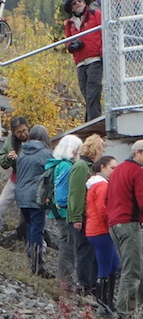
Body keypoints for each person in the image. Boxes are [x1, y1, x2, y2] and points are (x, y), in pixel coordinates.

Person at [107, 139, 143, 319]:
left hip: (114, 224)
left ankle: (135, 306)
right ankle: (125, 312)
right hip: (129, 224)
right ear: (137, 153)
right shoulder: (137, 171)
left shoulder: (117, 170)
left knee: (134, 267)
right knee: (132, 270)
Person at [44, 134, 83, 289]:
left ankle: (64, 279)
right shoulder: (67, 166)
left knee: (65, 243)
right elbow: (62, 194)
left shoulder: (55, 163)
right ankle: (66, 280)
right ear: (73, 150)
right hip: (65, 212)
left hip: (56, 211)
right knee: (68, 245)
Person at [0, 117, 30, 247]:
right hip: (15, 179)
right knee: (0, 206)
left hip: (30, 182)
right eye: (19, 132)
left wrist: (19, 158)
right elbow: (1, 159)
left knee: (30, 213)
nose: (23, 134)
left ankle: (36, 242)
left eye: (24, 130)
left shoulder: (35, 139)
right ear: (14, 133)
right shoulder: (10, 141)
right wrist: (8, 158)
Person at [15, 125, 54, 278]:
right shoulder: (46, 154)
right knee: (37, 229)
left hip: (21, 195)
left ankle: (32, 257)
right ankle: (37, 264)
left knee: (31, 226)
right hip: (35, 197)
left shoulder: (22, 152)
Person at [68, 134, 103, 295]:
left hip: (85, 215)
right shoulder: (81, 167)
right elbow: (76, 193)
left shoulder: (86, 166)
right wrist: (76, 218)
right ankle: (83, 287)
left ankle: (89, 285)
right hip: (80, 216)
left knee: (89, 251)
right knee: (84, 250)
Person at [86, 155, 120, 315]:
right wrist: (115, 221)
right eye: (112, 167)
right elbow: (103, 209)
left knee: (113, 264)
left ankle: (107, 301)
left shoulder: (96, 184)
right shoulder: (102, 186)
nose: (115, 170)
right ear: (102, 167)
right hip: (101, 230)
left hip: (97, 229)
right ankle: (103, 304)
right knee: (106, 267)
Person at [64, 0, 103, 122]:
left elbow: (104, 32)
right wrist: (72, 46)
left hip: (95, 59)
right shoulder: (69, 23)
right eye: (74, 3)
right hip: (80, 62)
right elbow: (68, 42)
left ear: (84, 2)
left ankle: (92, 123)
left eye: (79, 1)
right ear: (71, 8)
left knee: (93, 90)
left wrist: (102, 51)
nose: (77, 5)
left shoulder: (95, 14)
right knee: (86, 93)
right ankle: (94, 121)